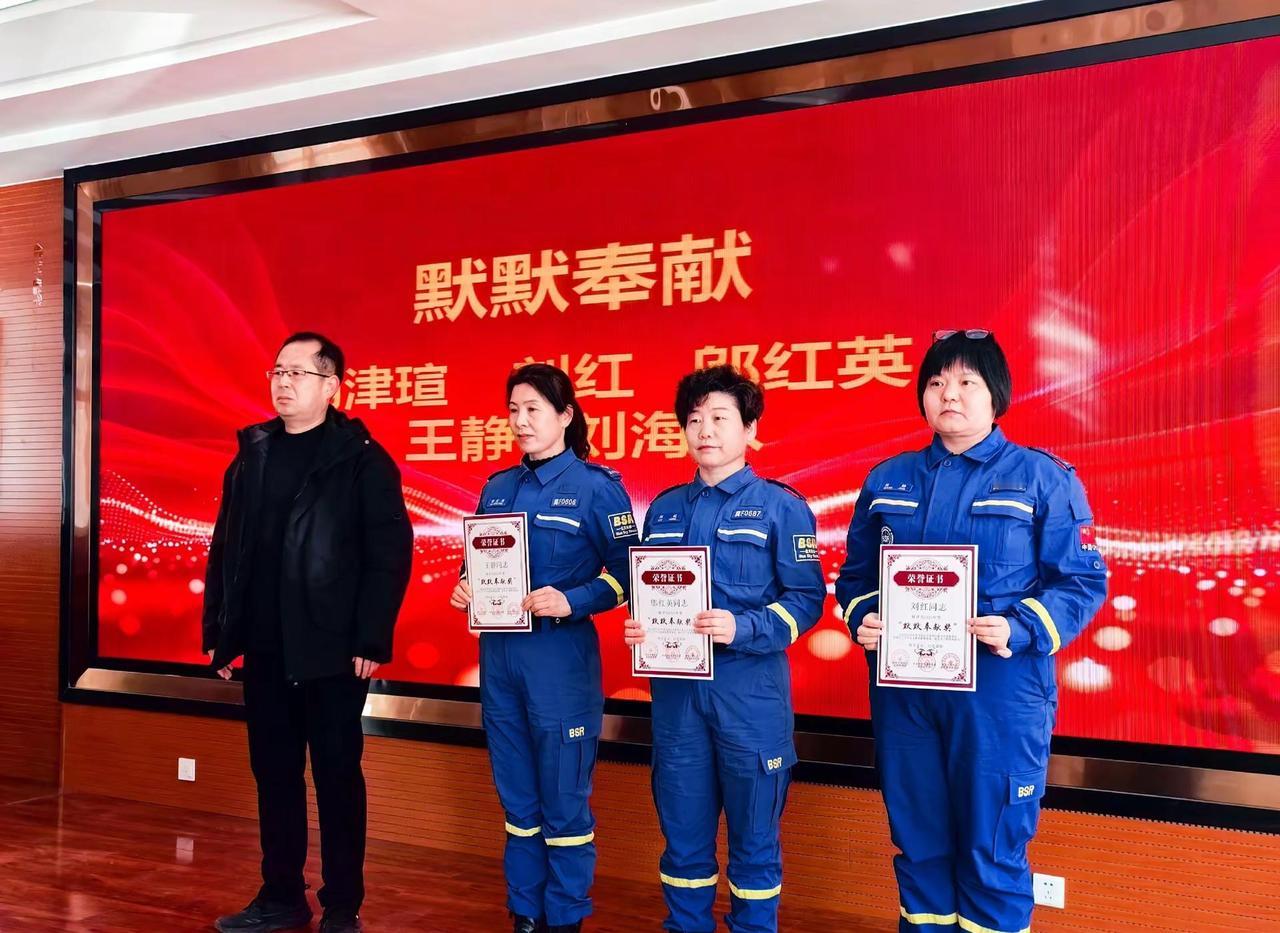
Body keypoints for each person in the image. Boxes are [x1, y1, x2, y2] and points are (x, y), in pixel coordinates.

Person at [835, 330, 1107, 933]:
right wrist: (863, 617)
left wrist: (1019, 628)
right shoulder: (888, 480)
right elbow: (854, 577)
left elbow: (1081, 581)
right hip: (906, 695)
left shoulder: (1043, 477)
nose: (949, 395)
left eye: (966, 382)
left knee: (993, 850)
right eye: (936, 383)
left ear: (996, 395)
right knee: (919, 846)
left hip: (1000, 695)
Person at [202, 332, 414, 933]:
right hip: (266, 647)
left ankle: (342, 905)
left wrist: (371, 637)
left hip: (333, 650)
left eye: (298, 372)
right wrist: (221, 629)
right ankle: (281, 896)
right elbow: (225, 548)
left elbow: (389, 554)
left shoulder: (361, 459)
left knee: (337, 777)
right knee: (274, 776)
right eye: (277, 371)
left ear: (331, 387)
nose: (284, 382)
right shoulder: (253, 455)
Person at [623, 365, 826, 933]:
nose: (705, 430)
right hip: (677, 701)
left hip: (749, 699)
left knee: (754, 844)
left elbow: (806, 600)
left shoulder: (783, 507)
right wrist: (641, 627)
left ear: (750, 428)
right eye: (694, 420)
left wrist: (744, 628)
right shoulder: (664, 509)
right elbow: (650, 590)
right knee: (683, 842)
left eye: (719, 418)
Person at [449, 363, 639, 933]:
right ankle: (525, 910)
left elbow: (631, 576)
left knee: (563, 800)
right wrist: (466, 586)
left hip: (561, 663)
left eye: (533, 408)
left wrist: (572, 599)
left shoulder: (597, 488)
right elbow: (478, 563)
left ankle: (566, 914)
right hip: (501, 663)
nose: (521, 420)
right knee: (518, 800)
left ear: (565, 415)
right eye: (513, 409)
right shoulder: (496, 488)